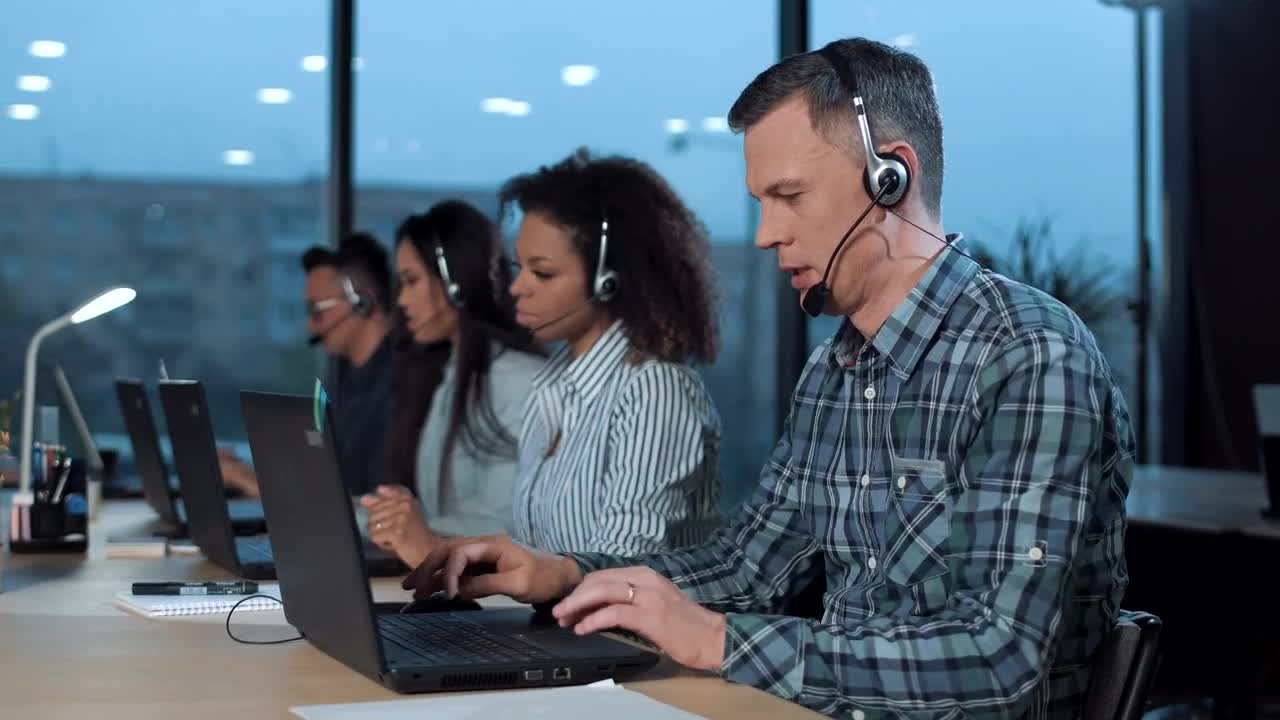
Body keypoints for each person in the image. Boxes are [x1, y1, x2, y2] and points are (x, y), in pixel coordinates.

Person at [405, 39, 1134, 719]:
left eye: (789, 196)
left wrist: (720, 642)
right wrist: (565, 574)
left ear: (892, 178)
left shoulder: (1028, 354)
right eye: (760, 202)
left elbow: (997, 659)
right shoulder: (834, 369)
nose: (764, 234)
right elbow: (749, 565)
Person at [495, 149, 724, 556]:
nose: (518, 288)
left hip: (618, 620)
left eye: (542, 273)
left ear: (608, 281)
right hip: (560, 620)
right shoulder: (553, 386)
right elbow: (535, 554)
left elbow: (623, 567)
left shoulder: (655, 391)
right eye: (519, 269)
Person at [359, 201, 544, 568]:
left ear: (454, 283)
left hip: (493, 596)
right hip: (450, 579)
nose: (401, 301)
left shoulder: (518, 382)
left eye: (411, 282)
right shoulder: (451, 376)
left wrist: (408, 526)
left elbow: (511, 528)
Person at [219, 233, 396, 497]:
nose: (310, 325)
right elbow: (324, 477)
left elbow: (359, 499)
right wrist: (249, 472)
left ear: (362, 302)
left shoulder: (401, 387)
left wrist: (250, 481)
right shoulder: (349, 380)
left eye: (317, 311)